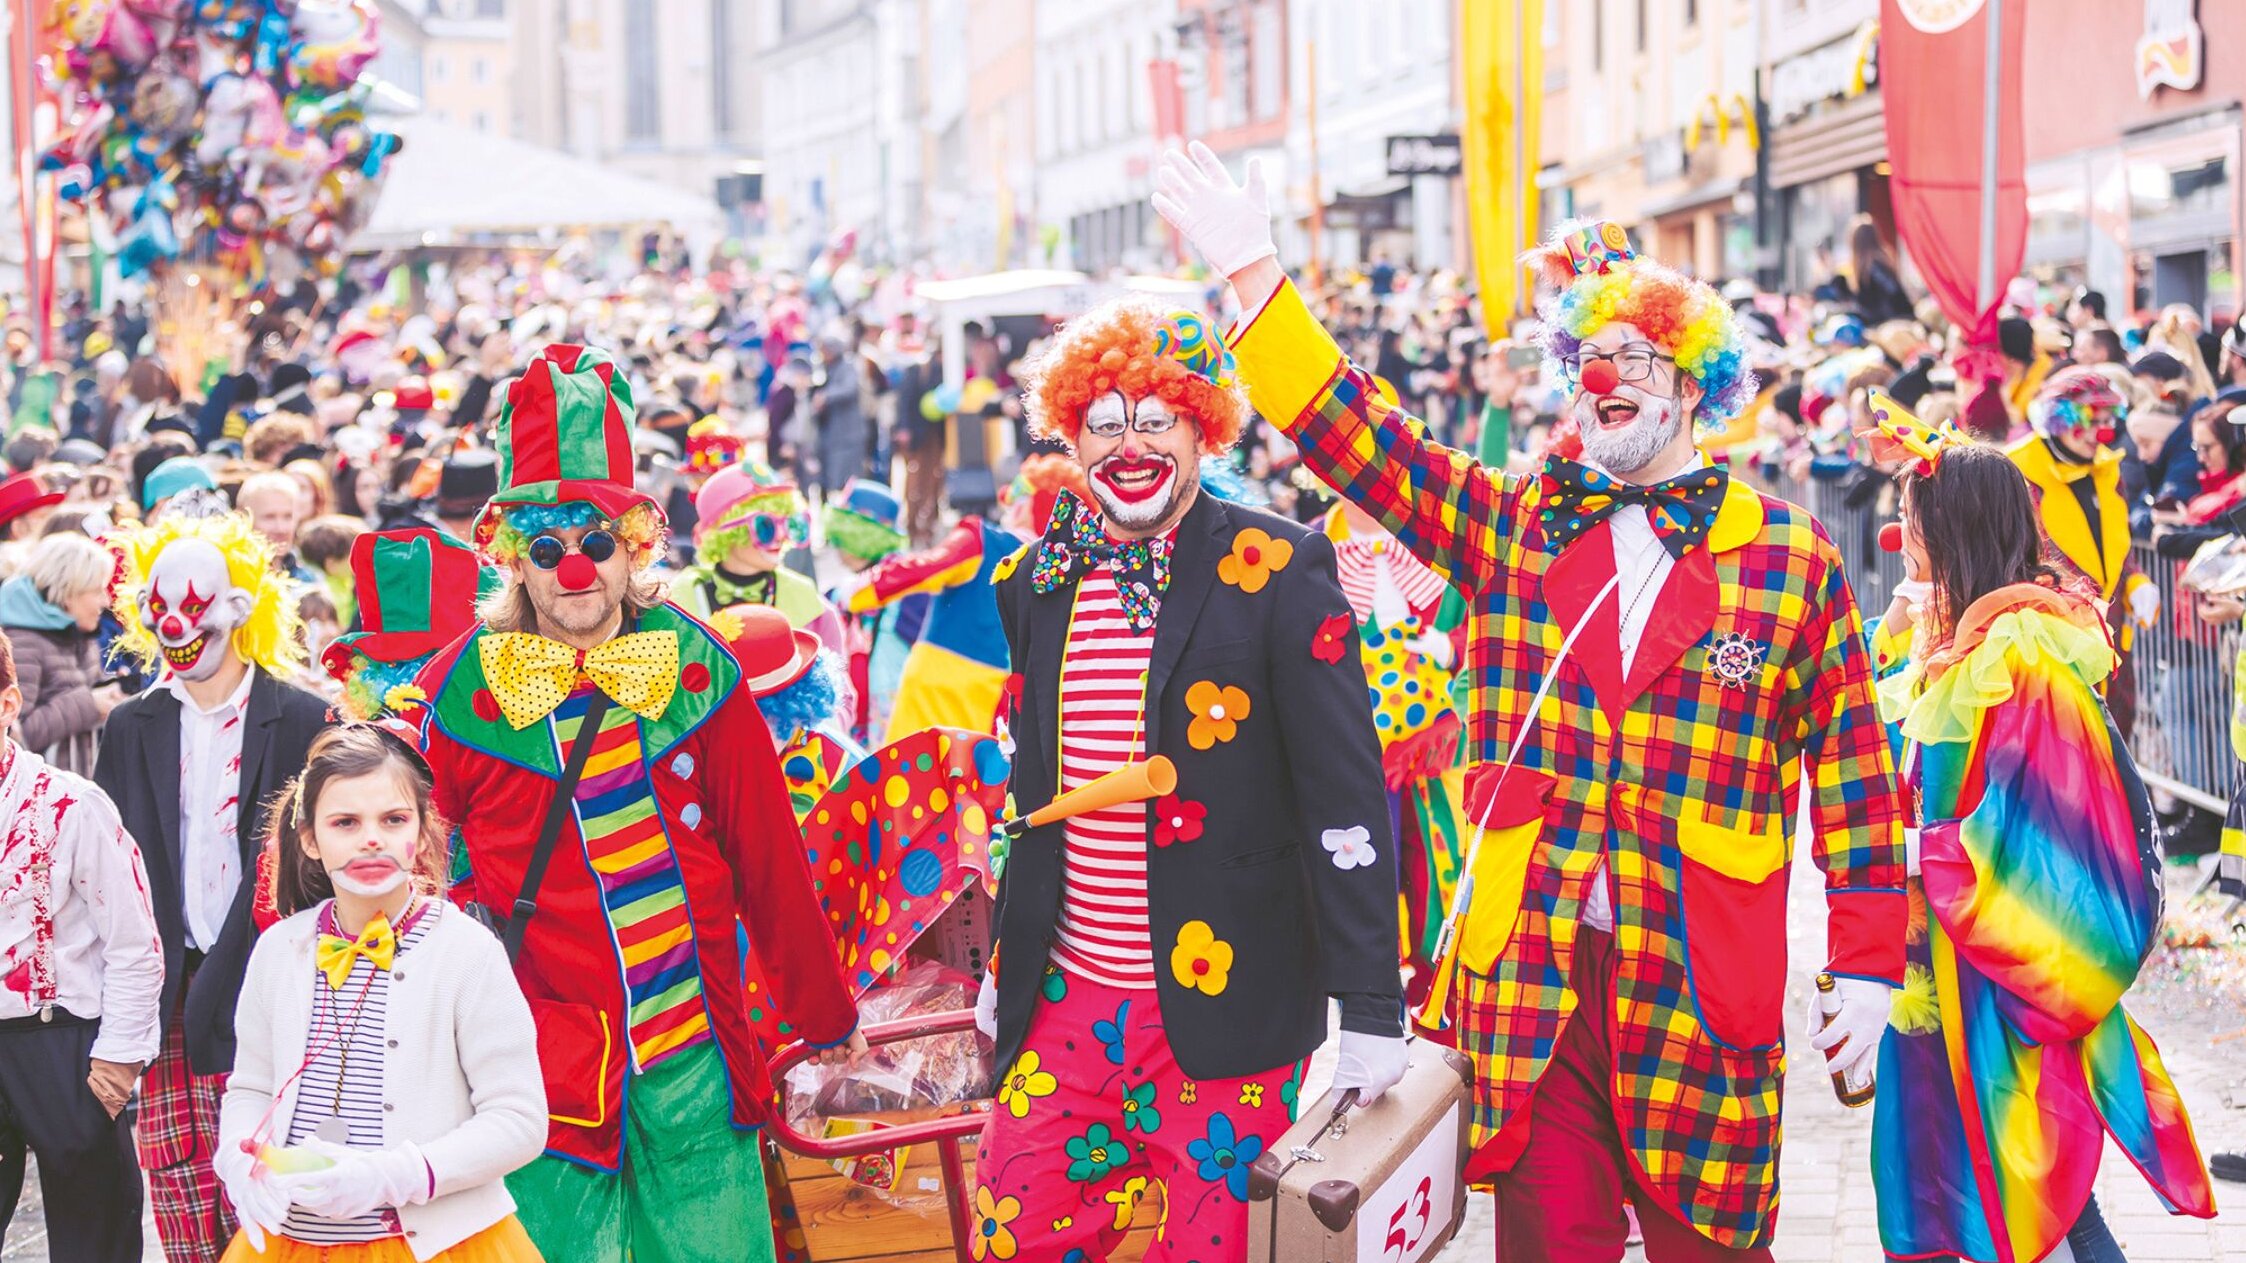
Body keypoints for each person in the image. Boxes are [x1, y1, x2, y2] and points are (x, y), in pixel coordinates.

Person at [1156, 149, 1906, 1260]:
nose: (1605, 378)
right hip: (1535, 982)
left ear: (1694, 381)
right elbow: (1362, 441)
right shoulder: (1514, 523)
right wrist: (1253, 272)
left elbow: (1852, 774)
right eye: (1587, 357)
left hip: (1698, 982)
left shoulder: (1788, 559)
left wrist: (1870, 960)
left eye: (1636, 358)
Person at [972, 298, 1406, 1263]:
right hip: (1066, 1002)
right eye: (1104, 421)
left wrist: (1372, 1008)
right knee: (1014, 1235)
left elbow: (1347, 800)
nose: (1129, 443)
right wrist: (1009, 956)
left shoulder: (1281, 565)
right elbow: (1033, 801)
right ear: (1071, 433)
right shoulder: (1037, 581)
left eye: (1154, 418)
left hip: (1228, 1014)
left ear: (1201, 424)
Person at [412, 345, 865, 1263]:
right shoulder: (461, 690)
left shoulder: (698, 668)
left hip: (692, 1055)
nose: (574, 569)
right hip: (533, 1071)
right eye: (548, 548)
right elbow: (421, 872)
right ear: (516, 563)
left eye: (595, 543)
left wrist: (828, 1020)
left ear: (634, 550)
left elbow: (769, 858)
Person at [1859, 407, 2215, 1263]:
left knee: (2030, 1181)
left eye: (1913, 523)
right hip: (1940, 961)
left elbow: (2046, 831)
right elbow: (1879, 734)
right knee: (1971, 1179)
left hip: (2000, 962)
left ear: (1954, 531)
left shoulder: (2019, 651)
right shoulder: (1957, 637)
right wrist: (1897, 633)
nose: (1900, 540)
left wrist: (1925, 855)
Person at [94, 510, 333, 1263]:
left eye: (194, 605)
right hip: (169, 989)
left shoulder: (301, 715)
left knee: (274, 1183)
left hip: (270, 981)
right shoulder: (131, 724)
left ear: (239, 605)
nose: (176, 623)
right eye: (161, 606)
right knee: (181, 1193)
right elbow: (110, 865)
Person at [213, 724, 547, 1262]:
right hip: (288, 1245)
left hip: (441, 1247)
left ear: (421, 829)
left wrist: (394, 1176)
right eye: (345, 822)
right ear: (309, 839)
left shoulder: (467, 953)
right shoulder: (279, 950)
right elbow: (250, 1086)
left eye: (393, 820)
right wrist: (237, 1158)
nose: (372, 838)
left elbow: (520, 1121)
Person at [0, 630, 163, 1263]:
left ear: (9, 701)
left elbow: (133, 942)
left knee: (95, 1239)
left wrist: (118, 1061)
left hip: (62, 1041)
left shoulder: (71, 805)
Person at [2006, 367, 2157, 741]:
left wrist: (2134, 580)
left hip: (2110, 635)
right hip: (2051, 638)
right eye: (2091, 420)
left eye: (2108, 421)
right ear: (2060, 419)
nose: (2101, 433)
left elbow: (2114, 544)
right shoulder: (2017, 473)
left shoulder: (2108, 469)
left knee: (2117, 736)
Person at [670, 459, 846, 655]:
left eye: (788, 524)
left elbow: (836, 682)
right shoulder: (682, 604)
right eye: (765, 527)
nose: (781, 537)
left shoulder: (814, 608)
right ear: (728, 532)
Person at [0, 531, 120, 775]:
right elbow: (13, 732)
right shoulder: (23, 642)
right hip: (37, 800)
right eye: (97, 590)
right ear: (67, 593)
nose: (105, 601)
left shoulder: (80, 634)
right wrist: (89, 704)